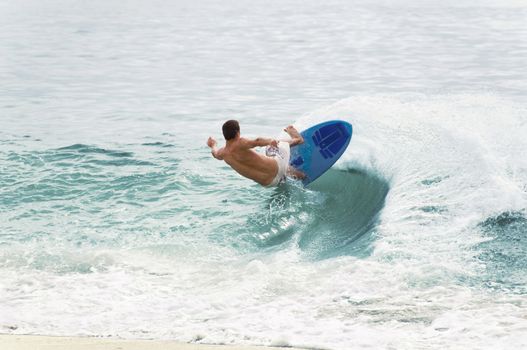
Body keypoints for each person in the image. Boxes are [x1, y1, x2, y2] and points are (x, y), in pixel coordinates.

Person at [207, 120, 305, 186]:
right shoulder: (240, 142)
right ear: (237, 132)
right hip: (277, 167)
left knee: (280, 169)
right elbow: (257, 141)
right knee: (269, 148)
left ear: (225, 135)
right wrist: (270, 141)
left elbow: (214, 153)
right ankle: (297, 139)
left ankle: (301, 176)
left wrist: (213, 145)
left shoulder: (222, 153)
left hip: (270, 183)